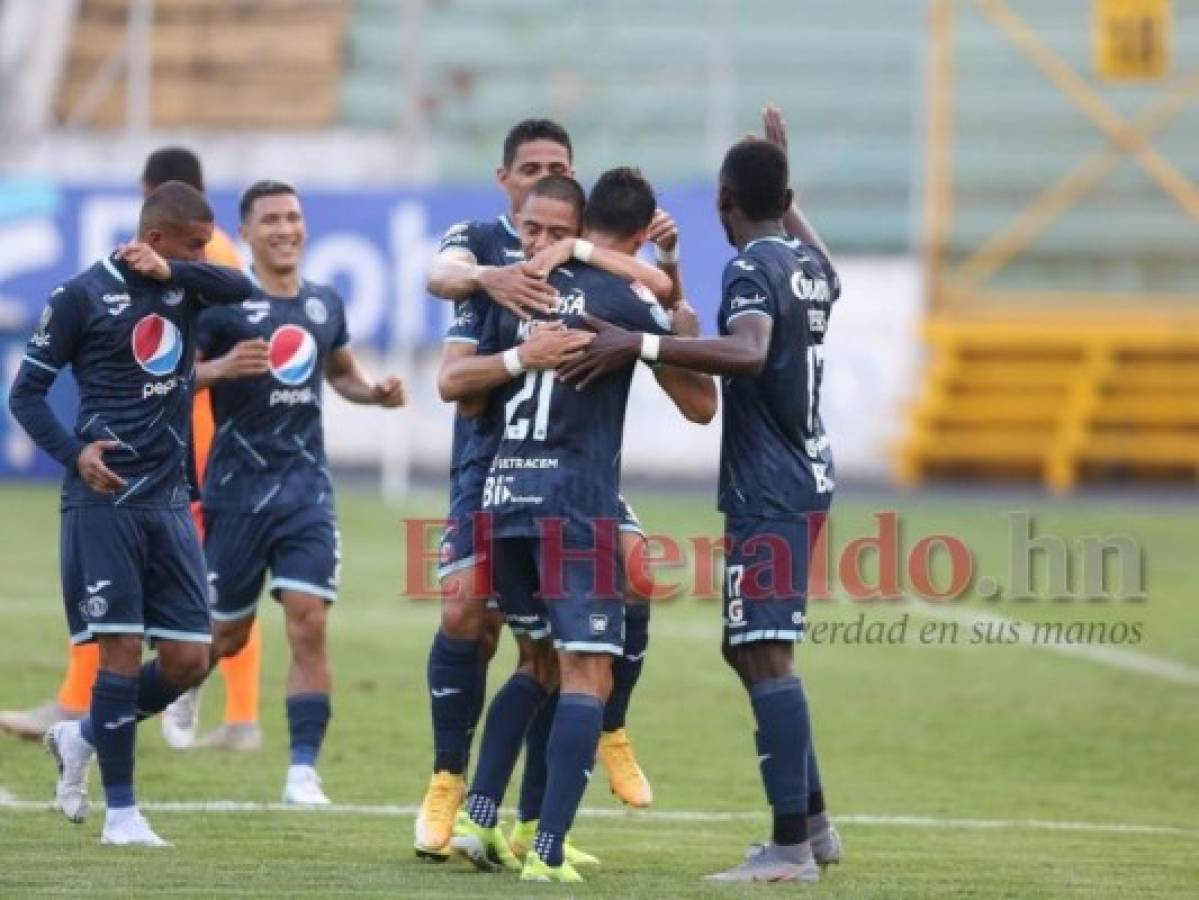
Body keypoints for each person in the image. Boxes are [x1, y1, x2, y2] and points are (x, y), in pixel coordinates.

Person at [557, 106, 843, 883]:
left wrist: (640, 342)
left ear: (723, 203)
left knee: (762, 649)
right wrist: (786, 191)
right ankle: (812, 825)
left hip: (770, 486)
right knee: (747, 644)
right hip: (808, 476)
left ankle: (788, 848)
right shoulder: (806, 265)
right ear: (779, 200)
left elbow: (747, 354)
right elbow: (827, 269)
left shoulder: (750, 269)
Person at [449, 170, 714, 883]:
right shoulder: (623, 295)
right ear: (634, 236)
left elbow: (468, 400)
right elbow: (700, 405)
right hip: (573, 503)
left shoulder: (519, 289)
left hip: (504, 496)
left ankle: (476, 816)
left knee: (534, 662)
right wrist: (665, 329)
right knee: (587, 675)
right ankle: (546, 851)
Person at [414, 119, 663, 860]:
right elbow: (452, 377)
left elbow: (653, 289)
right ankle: (451, 785)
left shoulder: (584, 273)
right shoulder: (487, 261)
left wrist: (636, 259)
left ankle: (602, 731)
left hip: (574, 472)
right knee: (472, 618)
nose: (540, 179)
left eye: (557, 169)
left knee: (637, 571)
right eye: (529, 170)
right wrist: (521, 347)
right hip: (490, 469)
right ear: (506, 184)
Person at [8, 181, 255, 846]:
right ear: (153, 237)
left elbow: (245, 291)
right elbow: (26, 395)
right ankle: (121, 814)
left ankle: (81, 734)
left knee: (188, 658)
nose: (208, 253)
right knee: (118, 652)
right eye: (195, 243)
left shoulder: (190, 285)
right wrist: (74, 453)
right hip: (104, 500)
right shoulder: (80, 296)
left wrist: (180, 268)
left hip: (171, 499)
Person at [196, 180, 406, 805]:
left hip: (305, 490)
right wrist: (217, 369)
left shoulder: (323, 303)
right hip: (236, 493)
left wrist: (376, 393)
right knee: (224, 636)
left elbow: (341, 374)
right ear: (248, 234)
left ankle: (302, 771)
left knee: (308, 623)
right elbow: (171, 378)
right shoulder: (222, 309)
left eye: (293, 217)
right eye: (271, 220)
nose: (285, 229)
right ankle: (181, 681)